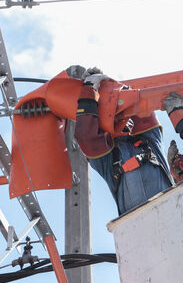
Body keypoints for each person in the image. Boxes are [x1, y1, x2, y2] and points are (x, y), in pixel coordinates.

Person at [68, 66, 173, 215]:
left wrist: (110, 85)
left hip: (172, 216)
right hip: (138, 229)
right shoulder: (108, 161)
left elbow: (140, 106)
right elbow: (85, 136)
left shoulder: (151, 143)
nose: (120, 120)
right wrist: (88, 91)